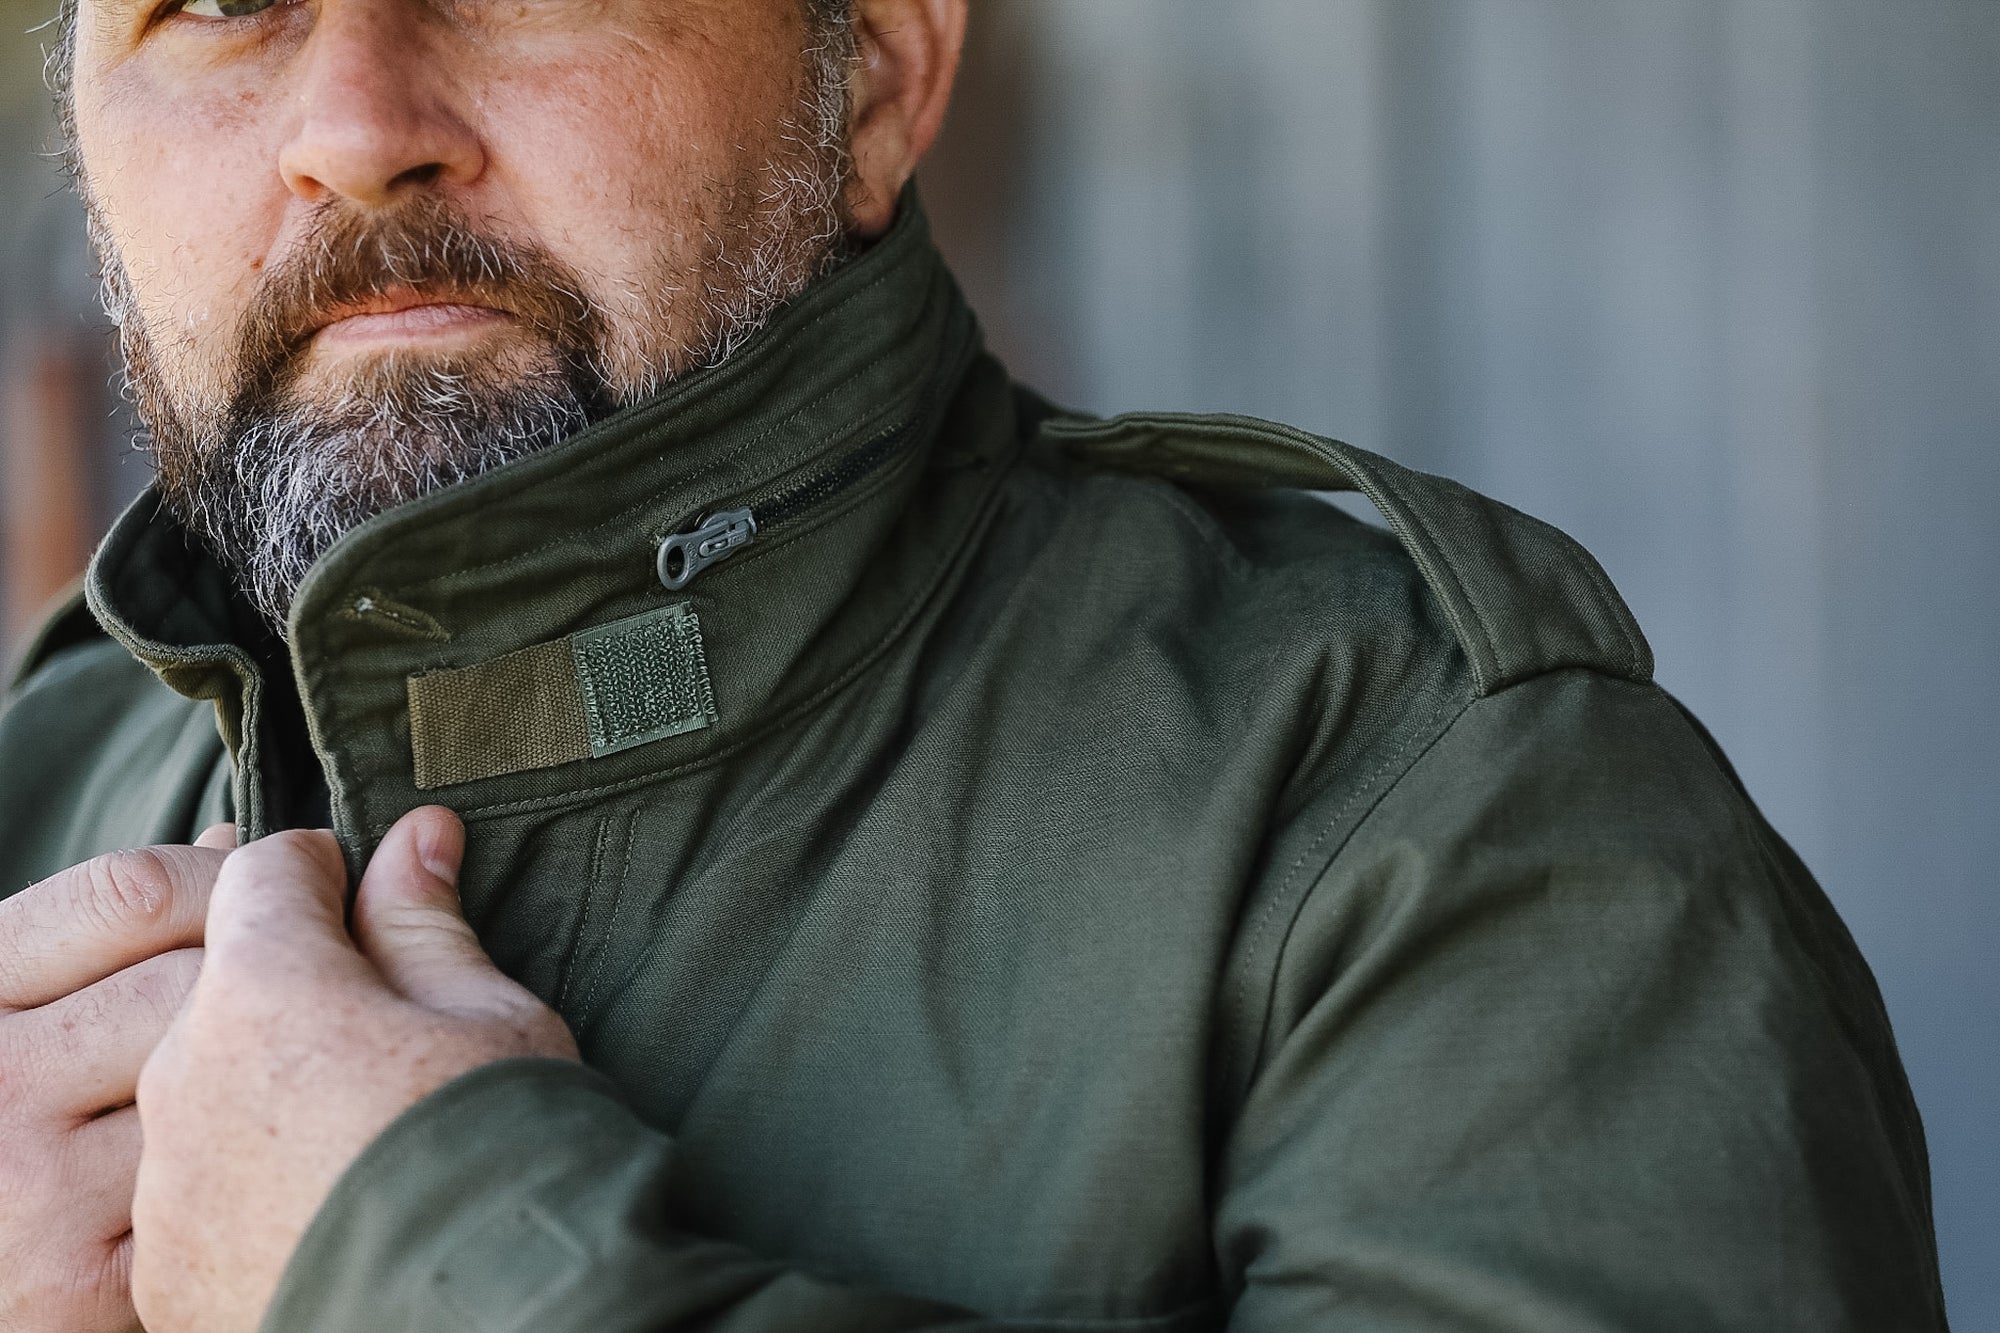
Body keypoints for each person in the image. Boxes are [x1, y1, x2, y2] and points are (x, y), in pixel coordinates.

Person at [0, 0, 1949, 1329]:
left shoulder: (1445, 825)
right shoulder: (44, 783)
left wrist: (420, 1265)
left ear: (876, 81)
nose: (355, 126)